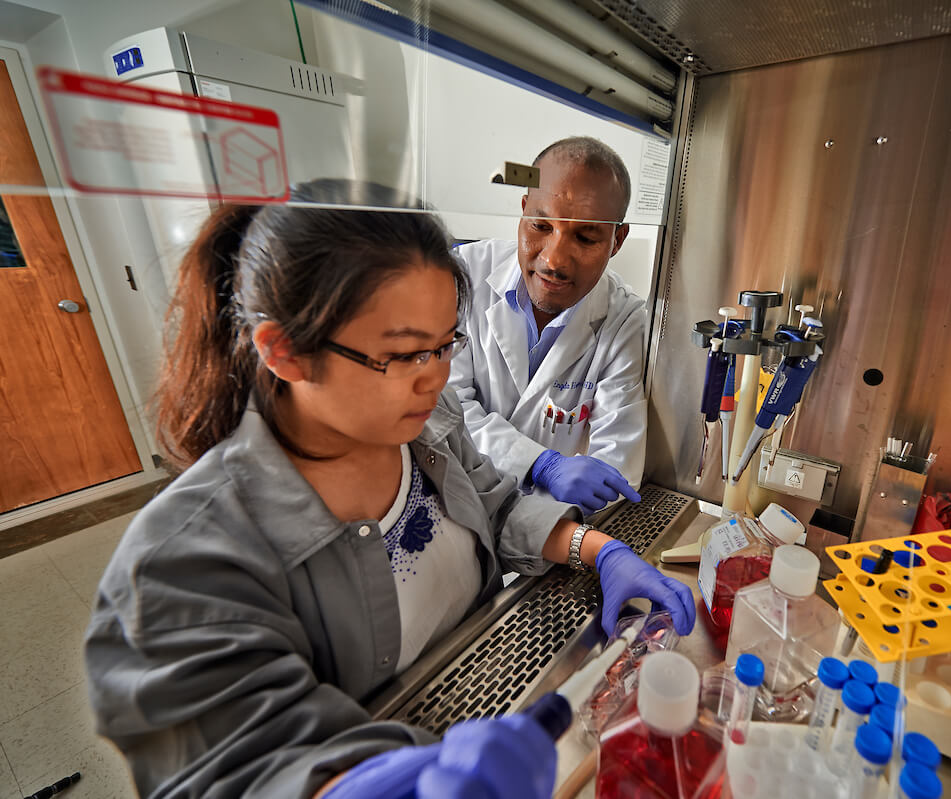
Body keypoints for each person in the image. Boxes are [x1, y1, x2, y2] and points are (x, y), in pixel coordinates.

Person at [83, 180, 695, 799]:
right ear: (285, 352)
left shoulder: (425, 426)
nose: (435, 377)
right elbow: (241, 771)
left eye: (444, 344)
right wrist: (382, 785)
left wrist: (599, 549)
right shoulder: (182, 564)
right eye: (402, 355)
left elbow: (496, 503)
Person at [450, 136, 647, 516]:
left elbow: (615, 473)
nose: (554, 260)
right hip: (454, 515)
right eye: (541, 225)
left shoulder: (623, 320)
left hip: (550, 540)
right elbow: (444, 411)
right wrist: (541, 465)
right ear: (523, 210)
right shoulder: (464, 276)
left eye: (586, 237)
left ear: (617, 240)